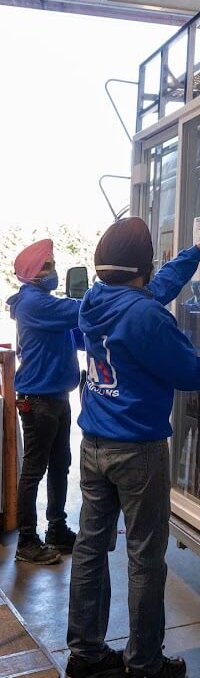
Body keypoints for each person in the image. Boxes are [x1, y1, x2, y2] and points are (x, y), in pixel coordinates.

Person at [66, 210, 200, 678]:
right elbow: (193, 373)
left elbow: (154, 289)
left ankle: (86, 656)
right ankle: (143, 667)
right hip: (137, 452)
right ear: (141, 265)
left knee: (91, 550)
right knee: (145, 559)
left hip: (93, 445)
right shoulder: (147, 317)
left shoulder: (93, 302)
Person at [7, 239, 82, 565]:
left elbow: (77, 329)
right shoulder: (35, 304)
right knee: (35, 469)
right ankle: (27, 541)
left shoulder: (48, 303)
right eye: (49, 267)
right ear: (33, 274)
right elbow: (81, 311)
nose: (55, 272)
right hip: (38, 400)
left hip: (56, 397)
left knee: (60, 465)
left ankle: (56, 528)